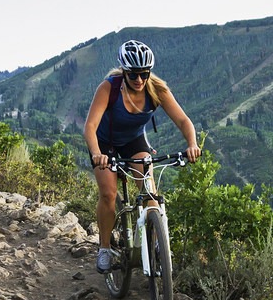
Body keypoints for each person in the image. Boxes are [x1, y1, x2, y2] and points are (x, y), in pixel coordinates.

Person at [83, 39, 200, 273]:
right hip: (105, 143)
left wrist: (192, 144)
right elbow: (90, 126)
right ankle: (105, 248)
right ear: (124, 72)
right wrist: (97, 153)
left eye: (144, 74)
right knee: (108, 194)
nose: (139, 80)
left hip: (134, 141)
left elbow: (183, 120)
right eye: (134, 75)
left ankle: (158, 244)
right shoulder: (109, 88)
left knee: (149, 190)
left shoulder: (157, 89)